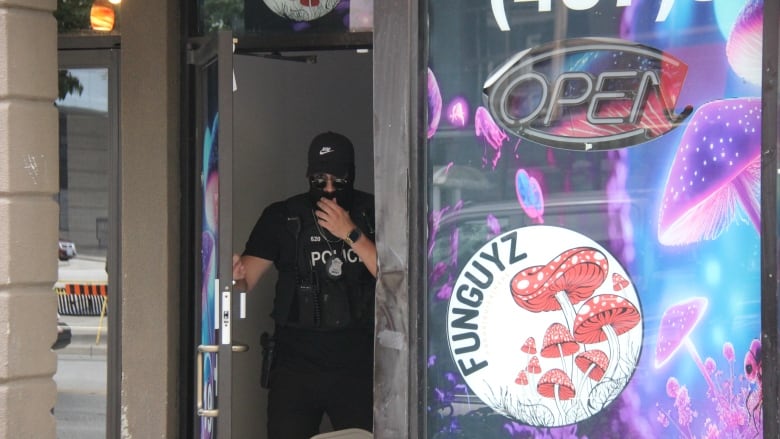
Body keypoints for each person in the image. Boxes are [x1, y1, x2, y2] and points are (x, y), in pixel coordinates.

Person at [232, 131, 377, 439]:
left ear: (351, 175)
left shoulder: (371, 213)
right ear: (308, 175)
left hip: (357, 363)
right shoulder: (283, 217)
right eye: (319, 180)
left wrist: (351, 233)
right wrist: (233, 275)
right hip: (295, 365)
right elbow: (245, 281)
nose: (328, 189)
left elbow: (395, 278)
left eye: (338, 181)